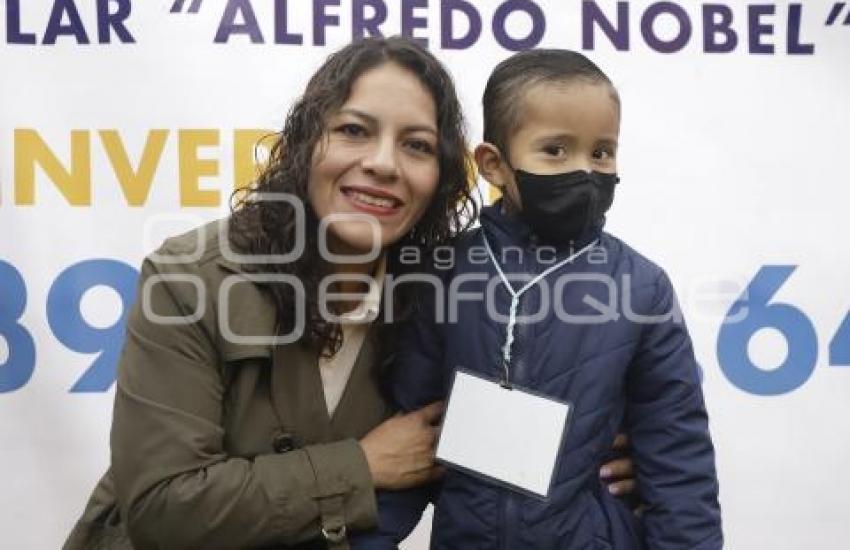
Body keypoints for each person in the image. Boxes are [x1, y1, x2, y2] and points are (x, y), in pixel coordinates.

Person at [63, 37, 638, 549]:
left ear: (442, 176)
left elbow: (476, 449)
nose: (383, 164)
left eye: (416, 145)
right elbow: (165, 508)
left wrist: (594, 461)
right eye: (354, 131)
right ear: (304, 142)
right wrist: (362, 466)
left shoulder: (445, 297)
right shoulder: (186, 278)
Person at [357, 49, 722, 549]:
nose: (586, 171)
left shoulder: (642, 287)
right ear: (493, 164)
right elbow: (409, 432)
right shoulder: (442, 273)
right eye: (555, 150)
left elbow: (679, 459)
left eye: (602, 152)